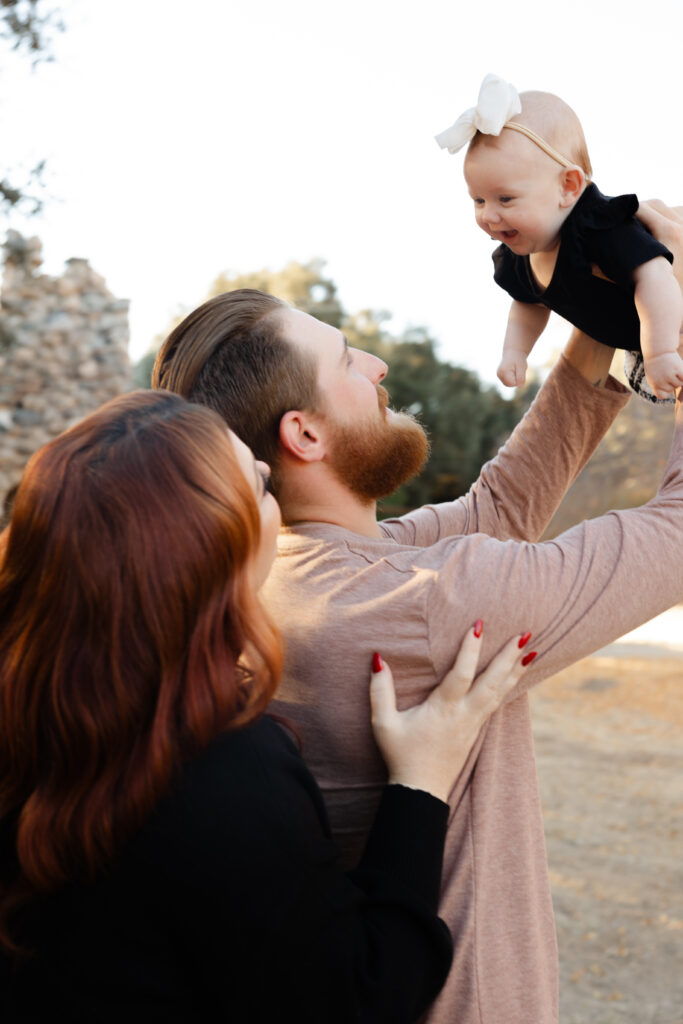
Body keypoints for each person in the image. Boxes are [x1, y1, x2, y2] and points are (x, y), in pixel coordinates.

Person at [152, 201, 683, 1024]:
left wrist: (601, 295)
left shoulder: (288, 575)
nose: (374, 364)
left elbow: (501, 505)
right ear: (305, 434)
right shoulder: (423, 603)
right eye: (343, 360)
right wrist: (674, 339)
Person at [0, 389, 534, 1024]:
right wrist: (421, 782)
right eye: (260, 486)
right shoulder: (218, 768)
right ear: (209, 549)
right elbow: (359, 996)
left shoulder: (32, 709)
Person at [435, 73, 683, 402]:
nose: (488, 215)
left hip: (668, 319)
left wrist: (661, 351)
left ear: (568, 187)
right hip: (641, 340)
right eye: (478, 200)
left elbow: (654, 276)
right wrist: (515, 353)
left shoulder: (598, 228)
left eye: (505, 199)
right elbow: (528, 304)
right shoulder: (517, 258)